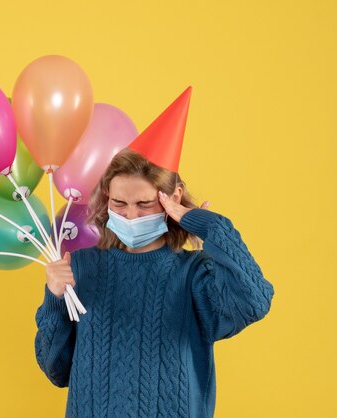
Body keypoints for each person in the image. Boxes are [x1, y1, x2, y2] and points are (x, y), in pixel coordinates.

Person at [33, 87, 275, 418]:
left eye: (145, 204)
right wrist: (55, 299)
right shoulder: (80, 268)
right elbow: (56, 371)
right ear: (107, 198)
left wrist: (208, 226)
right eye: (119, 203)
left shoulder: (194, 274)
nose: (130, 215)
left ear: (171, 199)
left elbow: (255, 300)